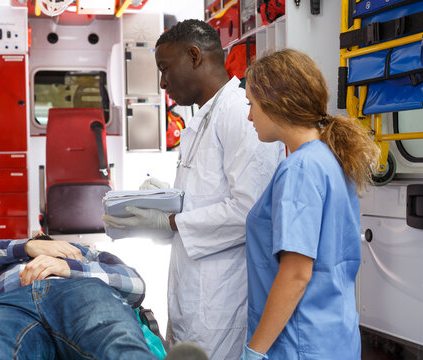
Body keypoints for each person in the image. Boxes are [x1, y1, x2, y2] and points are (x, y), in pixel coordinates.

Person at [102, 19, 286, 359]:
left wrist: (170, 222)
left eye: (165, 69)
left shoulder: (239, 113)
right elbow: (208, 195)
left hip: (222, 299)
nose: (162, 82)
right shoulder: (205, 116)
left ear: (194, 56)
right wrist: (162, 203)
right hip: (194, 290)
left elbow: (250, 210)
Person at [240, 49, 380, 359]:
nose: (250, 116)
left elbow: (296, 274)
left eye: (252, 104)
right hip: (334, 337)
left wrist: (255, 351)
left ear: (277, 102)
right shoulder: (329, 157)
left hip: (300, 343)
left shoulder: (300, 169)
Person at [0, 233, 160, 360]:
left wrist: (71, 268)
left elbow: (135, 285)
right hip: (6, 305)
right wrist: (23, 248)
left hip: (80, 293)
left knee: (114, 338)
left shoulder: (91, 255)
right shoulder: (2, 256)